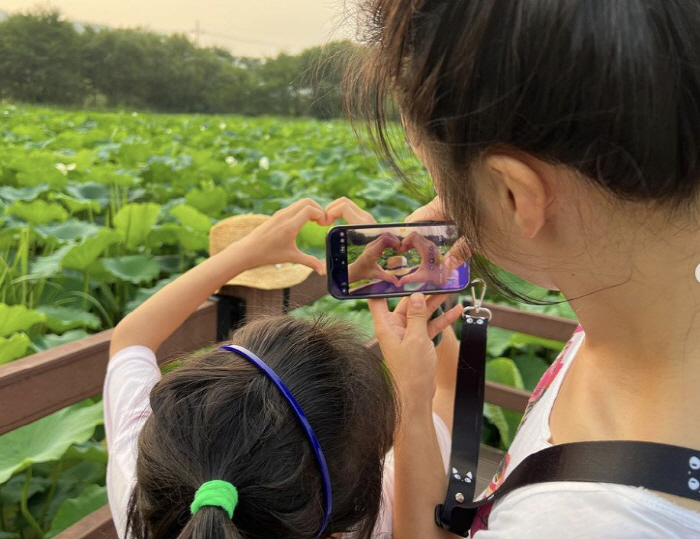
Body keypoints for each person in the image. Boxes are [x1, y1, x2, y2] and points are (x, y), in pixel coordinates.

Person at [352, 0, 700, 537]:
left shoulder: (570, 524)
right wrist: (476, 200)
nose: (441, 208)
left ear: (516, 193)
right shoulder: (651, 305)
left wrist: (409, 404)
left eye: (441, 181)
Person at [103, 197, 463, 539]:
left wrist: (244, 251)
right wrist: (422, 306)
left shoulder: (146, 500)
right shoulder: (394, 514)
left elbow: (132, 338)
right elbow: (447, 393)